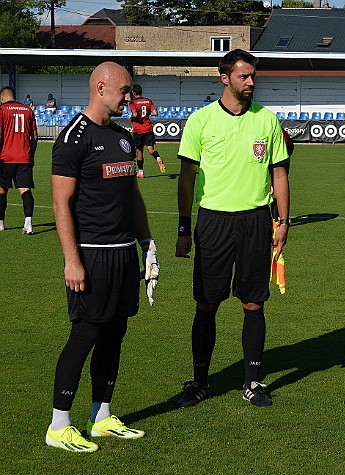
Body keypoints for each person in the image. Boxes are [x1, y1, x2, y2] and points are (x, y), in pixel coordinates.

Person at [46, 62, 160, 453]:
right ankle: (59, 424)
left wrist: (147, 244)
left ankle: (101, 416)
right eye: (125, 91)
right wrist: (71, 259)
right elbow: (61, 203)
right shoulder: (72, 139)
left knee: (115, 333)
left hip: (123, 254)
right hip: (91, 256)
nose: (130, 98)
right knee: (86, 334)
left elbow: (133, 197)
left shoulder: (124, 137)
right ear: (101, 86)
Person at [176, 49, 290, 409]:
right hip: (213, 221)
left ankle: (253, 381)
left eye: (253, 75)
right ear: (224, 78)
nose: (251, 82)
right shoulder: (201, 121)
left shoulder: (267, 121)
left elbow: (280, 174)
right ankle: (199, 381)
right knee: (206, 303)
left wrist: (283, 220)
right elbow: (187, 179)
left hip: (256, 221)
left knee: (254, 303)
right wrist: (183, 226)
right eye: (244, 76)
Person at [0, 86, 38, 234]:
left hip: (6, 157)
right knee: (25, 190)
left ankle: (1, 223)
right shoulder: (28, 110)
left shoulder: (2, 110)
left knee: (2, 190)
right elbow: (34, 137)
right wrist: (31, 155)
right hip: (24, 157)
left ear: (2, 98)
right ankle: (28, 224)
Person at [129, 84, 165, 178]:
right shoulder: (148, 101)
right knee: (151, 150)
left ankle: (141, 172)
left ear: (134, 93)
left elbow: (135, 114)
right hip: (148, 128)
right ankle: (158, 158)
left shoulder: (133, 103)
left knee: (139, 151)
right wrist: (147, 113)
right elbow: (155, 113)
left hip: (138, 130)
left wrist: (131, 118)